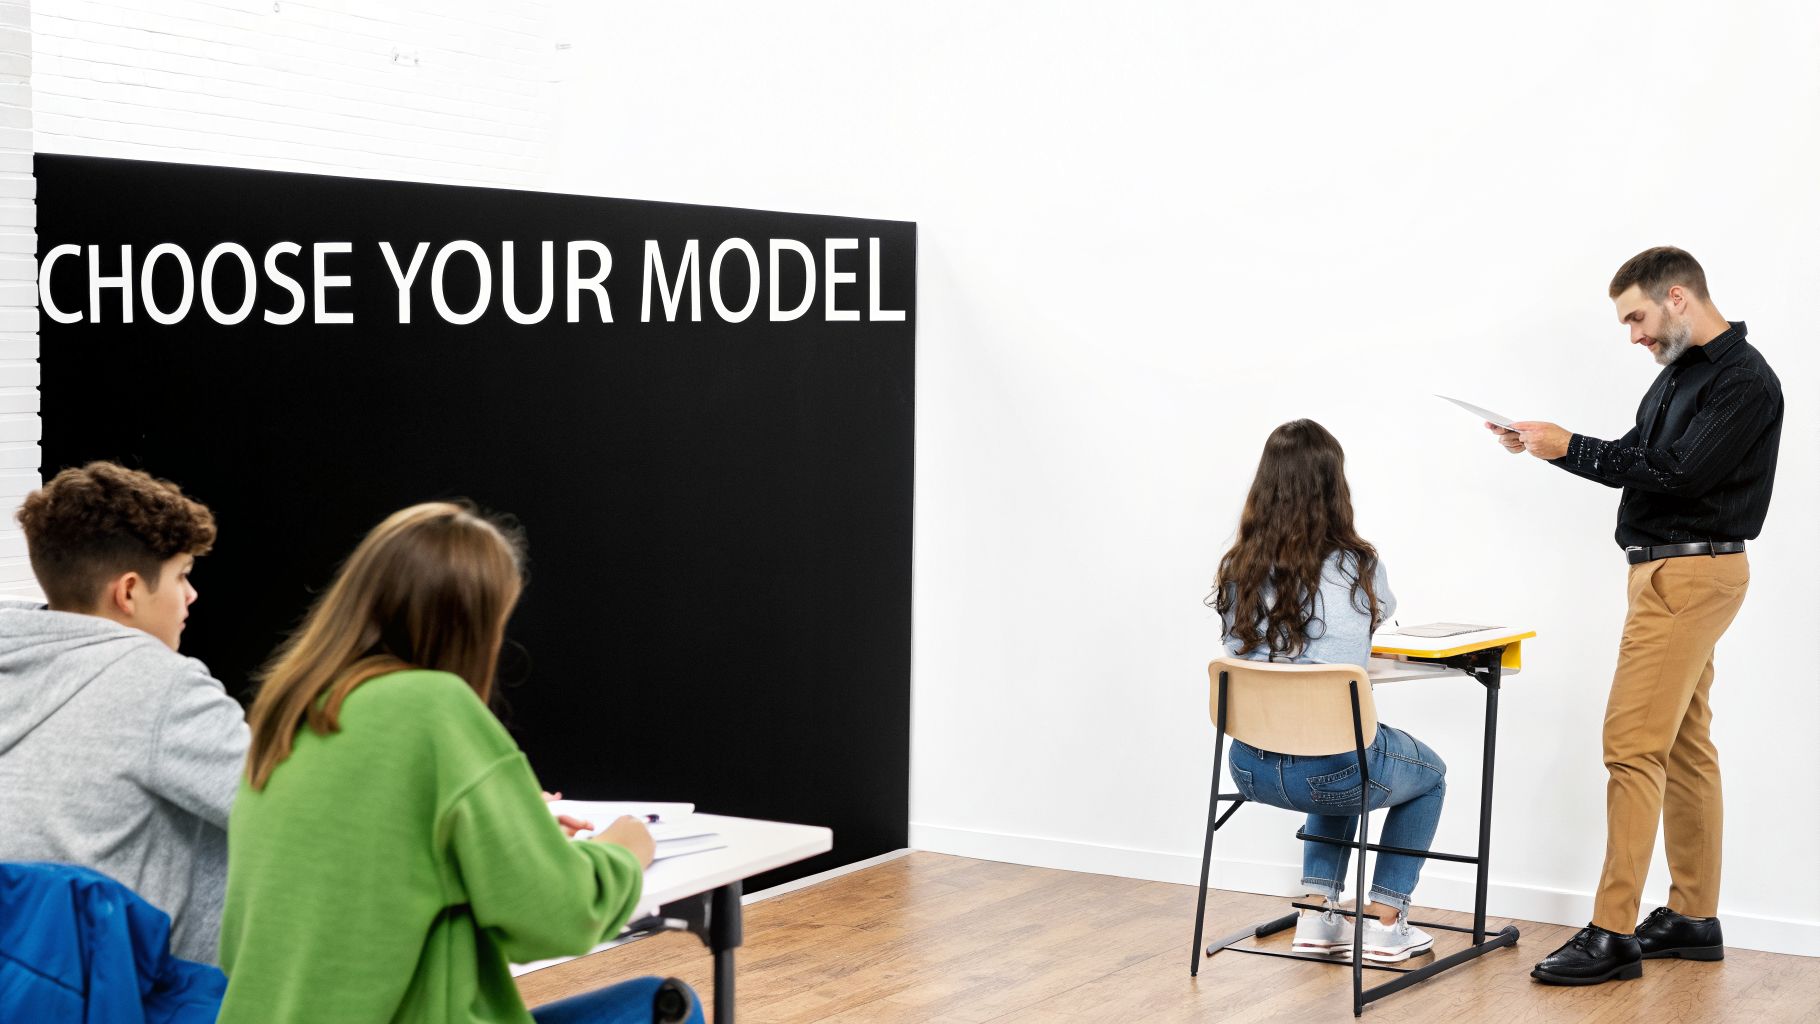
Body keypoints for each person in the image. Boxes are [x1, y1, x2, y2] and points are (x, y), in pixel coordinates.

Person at [216, 501, 693, 1023]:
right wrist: (623, 851)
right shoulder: (432, 706)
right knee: (666, 1005)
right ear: (470, 625)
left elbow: (363, 892)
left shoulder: (288, 714)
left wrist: (511, 843)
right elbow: (560, 918)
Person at [1493, 247, 1781, 986]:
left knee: (1630, 745)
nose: (1633, 336)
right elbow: (1635, 457)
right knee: (1682, 744)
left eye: (1637, 318)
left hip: (1691, 571)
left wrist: (1570, 444)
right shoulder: (1677, 378)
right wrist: (1548, 447)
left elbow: (1683, 475)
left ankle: (1613, 932)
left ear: (1678, 297)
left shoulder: (1744, 380)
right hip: (1666, 570)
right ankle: (1692, 916)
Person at [1209, 419, 1446, 964]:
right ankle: (1388, 920)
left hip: (1248, 767)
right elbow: (1382, 611)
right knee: (1420, 774)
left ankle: (1316, 913)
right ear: (1334, 488)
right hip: (1333, 771)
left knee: (1335, 746)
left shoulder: (1236, 568)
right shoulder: (1358, 565)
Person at [0, 462, 246, 965]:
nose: (191, 595)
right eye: (181, 576)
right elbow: (284, 809)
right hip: (139, 998)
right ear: (128, 591)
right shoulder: (163, 687)